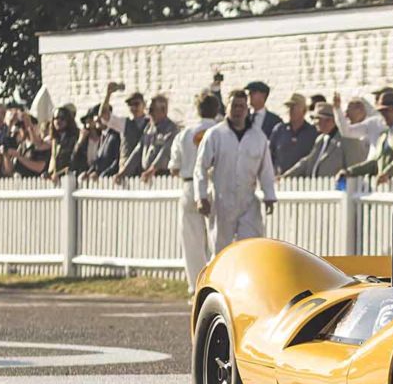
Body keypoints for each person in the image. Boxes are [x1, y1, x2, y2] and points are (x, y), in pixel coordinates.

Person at [194, 89, 277, 255]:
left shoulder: (258, 137)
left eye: (241, 106)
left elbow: (266, 169)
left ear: (247, 109)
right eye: (234, 106)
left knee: (251, 247)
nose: (238, 110)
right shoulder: (215, 135)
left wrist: (269, 196)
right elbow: (201, 167)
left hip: (248, 202)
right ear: (227, 108)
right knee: (221, 250)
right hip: (222, 201)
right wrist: (201, 196)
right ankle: (219, 281)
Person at [170, 93, 222, 292]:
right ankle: (216, 281)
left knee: (192, 240)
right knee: (217, 236)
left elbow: (174, 167)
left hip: (190, 185)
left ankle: (196, 285)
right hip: (214, 184)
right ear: (216, 110)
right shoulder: (220, 132)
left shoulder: (184, 134)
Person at [337, 90, 393, 185]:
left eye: (386, 111)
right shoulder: (384, 135)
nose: (383, 115)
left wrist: (387, 173)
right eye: (381, 111)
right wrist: (350, 171)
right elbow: (375, 161)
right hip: (386, 186)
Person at [286, 103, 365, 178]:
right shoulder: (321, 139)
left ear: (329, 120)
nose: (314, 123)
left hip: (339, 189)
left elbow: (355, 167)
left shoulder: (348, 140)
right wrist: (286, 176)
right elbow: (308, 161)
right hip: (318, 188)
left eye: (317, 119)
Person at [117, 95, 179, 181]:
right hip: (147, 175)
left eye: (151, 110)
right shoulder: (149, 128)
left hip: (161, 176)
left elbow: (165, 152)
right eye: (148, 110)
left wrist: (152, 169)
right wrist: (124, 171)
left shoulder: (171, 129)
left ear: (163, 110)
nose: (149, 113)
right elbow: (138, 150)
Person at [101, 85, 150, 172]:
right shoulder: (124, 123)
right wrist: (108, 95)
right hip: (126, 172)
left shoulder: (151, 123)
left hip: (145, 170)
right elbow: (104, 116)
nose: (133, 108)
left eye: (136, 104)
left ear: (144, 104)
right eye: (130, 104)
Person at [267, 93, 315, 176]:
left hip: (304, 182)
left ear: (303, 110)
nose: (291, 110)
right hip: (280, 179)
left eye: (294, 107)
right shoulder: (280, 130)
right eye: (289, 107)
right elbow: (269, 154)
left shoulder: (312, 132)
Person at [44, 105, 81, 180]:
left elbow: (73, 159)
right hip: (57, 179)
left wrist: (59, 173)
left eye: (62, 118)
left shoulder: (74, 137)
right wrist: (50, 173)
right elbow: (54, 159)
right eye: (56, 118)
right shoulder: (55, 139)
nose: (58, 121)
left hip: (70, 178)